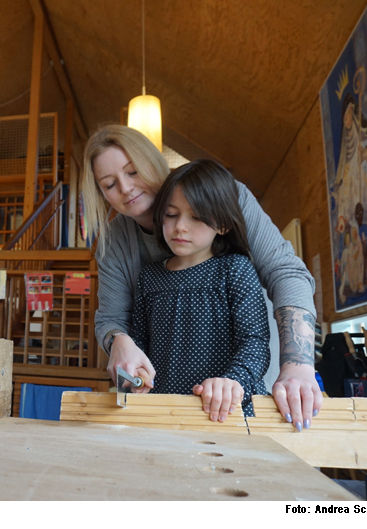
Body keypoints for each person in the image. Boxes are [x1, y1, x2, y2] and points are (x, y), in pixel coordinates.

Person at [81, 124, 321, 431]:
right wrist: (120, 341)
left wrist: (298, 365)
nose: (126, 188)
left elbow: (286, 272)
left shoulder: (224, 199)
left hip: (242, 390)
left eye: (133, 172)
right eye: (109, 184)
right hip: (167, 404)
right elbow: (114, 319)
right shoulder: (118, 243)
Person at [130, 160, 269, 420]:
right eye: (171, 214)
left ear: (223, 225)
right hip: (162, 414)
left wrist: (233, 381)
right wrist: (135, 374)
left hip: (225, 414)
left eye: (196, 216)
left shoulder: (234, 269)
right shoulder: (150, 276)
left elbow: (256, 343)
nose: (180, 226)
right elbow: (138, 342)